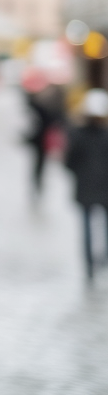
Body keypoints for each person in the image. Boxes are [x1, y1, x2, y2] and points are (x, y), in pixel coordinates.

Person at [65, 88, 108, 281]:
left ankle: (90, 264)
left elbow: (69, 161)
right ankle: (101, 259)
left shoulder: (77, 134)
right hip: (102, 187)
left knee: (87, 228)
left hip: (85, 186)